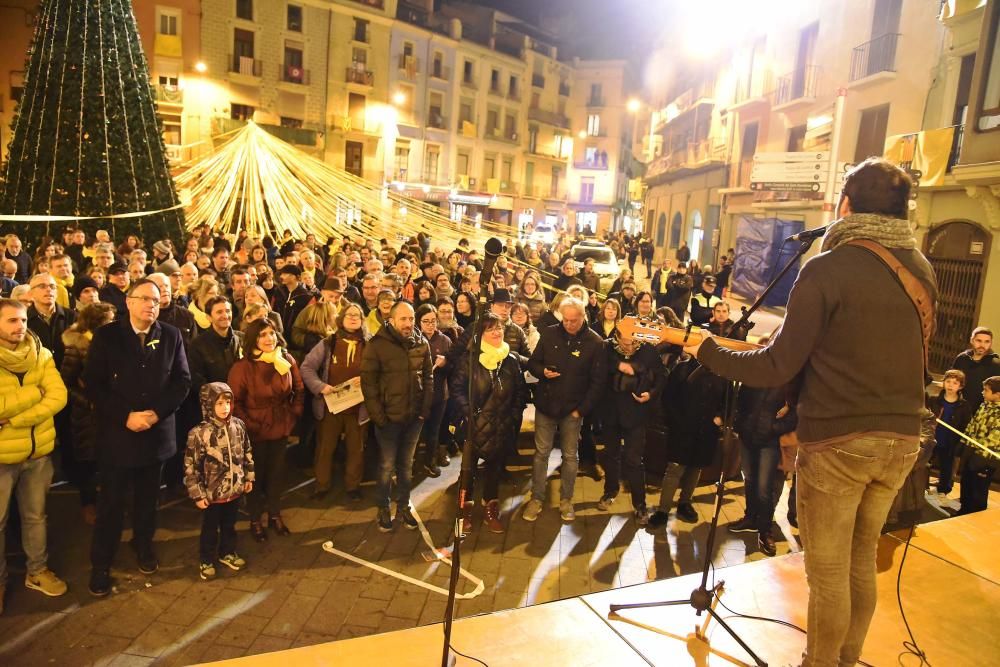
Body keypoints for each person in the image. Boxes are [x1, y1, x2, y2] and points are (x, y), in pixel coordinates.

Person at [685, 158, 937, 667]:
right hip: (902, 440)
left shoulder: (826, 267)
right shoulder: (922, 267)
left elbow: (777, 363)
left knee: (826, 574)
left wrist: (706, 349)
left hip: (840, 443)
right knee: (858, 563)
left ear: (844, 205)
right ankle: (846, 660)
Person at [85, 279, 192, 596]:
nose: (151, 305)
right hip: (119, 435)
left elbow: (182, 381)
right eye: (145, 299)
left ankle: (143, 545)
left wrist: (157, 413)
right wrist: (124, 416)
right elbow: (94, 384)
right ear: (128, 302)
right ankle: (101, 562)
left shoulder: (170, 335)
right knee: (112, 504)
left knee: (148, 501)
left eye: (157, 301)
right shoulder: (107, 336)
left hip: (155, 434)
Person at [0, 298, 70, 611]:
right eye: (12, 321)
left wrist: (13, 418)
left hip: (38, 452)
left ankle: (37, 571)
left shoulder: (41, 354)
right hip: (2, 457)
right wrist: (32, 394)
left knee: (35, 517)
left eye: (23, 320)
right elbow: (42, 396)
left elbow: (57, 397)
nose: (20, 327)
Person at [522, 297, 606, 522]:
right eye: (565, 320)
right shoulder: (549, 334)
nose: (569, 325)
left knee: (570, 456)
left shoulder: (595, 343)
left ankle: (566, 500)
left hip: (573, 410)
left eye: (574, 321)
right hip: (546, 405)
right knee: (541, 454)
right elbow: (532, 363)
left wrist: (582, 410)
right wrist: (542, 372)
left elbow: (598, 382)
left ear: (583, 317)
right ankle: (537, 498)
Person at [228, 318, 304, 542]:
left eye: (271, 333)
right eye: (262, 335)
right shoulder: (243, 367)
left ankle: (274, 514)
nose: (268, 338)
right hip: (255, 429)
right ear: (254, 339)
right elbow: (235, 401)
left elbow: (298, 388)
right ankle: (255, 518)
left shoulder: (285, 359)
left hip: (281, 424)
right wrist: (251, 424)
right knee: (256, 476)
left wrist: (294, 412)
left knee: (276, 473)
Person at [360, 301, 433, 533]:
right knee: (386, 466)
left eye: (411, 319)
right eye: (403, 319)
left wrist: (424, 410)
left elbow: (429, 378)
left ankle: (403, 506)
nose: (408, 323)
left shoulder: (422, 343)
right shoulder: (377, 345)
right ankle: (383, 506)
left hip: (414, 418)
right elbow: (368, 384)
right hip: (388, 419)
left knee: (406, 466)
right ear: (390, 320)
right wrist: (379, 417)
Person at [450, 313, 525, 534]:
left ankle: (491, 507)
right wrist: (470, 414)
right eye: (490, 329)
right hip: (475, 425)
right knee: (468, 470)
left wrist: (511, 416)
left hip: (501, 425)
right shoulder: (469, 360)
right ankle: (465, 510)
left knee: (494, 470)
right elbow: (457, 389)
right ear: (480, 334)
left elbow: (520, 392)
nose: (496, 332)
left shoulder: (510, 360)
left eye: (499, 328)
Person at [184, 383, 255, 580]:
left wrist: (248, 476)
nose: (225, 407)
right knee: (209, 529)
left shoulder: (238, 426)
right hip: (211, 494)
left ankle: (227, 552)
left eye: (228, 402)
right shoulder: (199, 433)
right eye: (219, 403)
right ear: (208, 405)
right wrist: (197, 493)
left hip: (234, 490)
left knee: (229, 525)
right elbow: (191, 466)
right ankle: (206, 559)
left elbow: (246, 452)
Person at [300, 304, 368, 501]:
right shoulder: (328, 343)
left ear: (363, 320)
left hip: (359, 408)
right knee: (324, 448)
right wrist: (320, 387)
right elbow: (307, 367)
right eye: (349, 315)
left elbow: (381, 372)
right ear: (341, 318)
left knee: (356, 449)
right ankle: (321, 486)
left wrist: (367, 380)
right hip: (331, 407)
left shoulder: (370, 344)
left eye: (358, 315)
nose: (354, 318)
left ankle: (353, 487)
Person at [596, 328, 664, 523]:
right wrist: (619, 364)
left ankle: (640, 504)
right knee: (611, 455)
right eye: (626, 343)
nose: (630, 346)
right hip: (610, 413)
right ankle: (610, 491)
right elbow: (598, 368)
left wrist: (650, 394)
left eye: (634, 342)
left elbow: (661, 376)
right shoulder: (607, 348)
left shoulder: (648, 350)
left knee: (634, 460)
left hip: (636, 414)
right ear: (617, 337)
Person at [60, 302, 116, 525]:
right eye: (109, 320)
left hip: (110, 411)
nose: (113, 323)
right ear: (96, 323)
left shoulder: (112, 343)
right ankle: (89, 505)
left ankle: (110, 505)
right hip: (87, 415)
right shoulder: (77, 346)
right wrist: (89, 403)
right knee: (88, 463)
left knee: (109, 461)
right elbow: (66, 384)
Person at [730, 382, 797, 557]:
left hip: (769, 441)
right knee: (750, 480)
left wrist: (773, 429)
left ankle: (765, 530)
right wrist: (739, 426)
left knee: (764, 488)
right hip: (747, 436)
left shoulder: (789, 378)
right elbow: (741, 402)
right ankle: (750, 518)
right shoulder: (755, 373)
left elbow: (796, 413)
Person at [414, 304, 451, 478]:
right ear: (418, 322)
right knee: (416, 431)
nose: (430, 325)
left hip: (438, 393)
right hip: (418, 394)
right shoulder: (413, 339)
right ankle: (412, 464)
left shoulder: (444, 340)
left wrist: (446, 363)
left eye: (433, 321)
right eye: (426, 321)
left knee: (434, 430)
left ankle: (430, 461)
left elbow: (455, 365)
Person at [926, 369, 973, 497]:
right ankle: (923, 486)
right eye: (948, 381)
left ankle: (943, 491)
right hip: (931, 439)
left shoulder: (964, 406)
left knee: (947, 467)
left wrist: (958, 443)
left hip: (949, 442)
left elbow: (965, 426)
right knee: (925, 464)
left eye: (955, 383)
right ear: (943, 383)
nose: (951, 385)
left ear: (961, 386)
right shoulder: (934, 400)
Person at [958, 376, 1000, 515]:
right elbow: (972, 425)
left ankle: (976, 513)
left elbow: (994, 438)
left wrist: (979, 456)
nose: (983, 392)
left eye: (986, 390)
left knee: (978, 488)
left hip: (986, 457)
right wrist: (964, 443)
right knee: (966, 482)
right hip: (971, 451)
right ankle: (964, 509)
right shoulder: (984, 405)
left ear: (997, 394)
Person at [188, 296, 243, 394]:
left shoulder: (241, 339)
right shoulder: (198, 345)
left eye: (227, 311)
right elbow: (197, 380)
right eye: (219, 312)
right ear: (209, 317)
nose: (225, 315)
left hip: (241, 399)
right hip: (215, 401)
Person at [952, 327, 1000, 413]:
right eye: (979, 341)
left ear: (991, 343)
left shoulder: (996, 364)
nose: (982, 345)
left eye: (987, 342)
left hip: (982, 412)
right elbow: (952, 380)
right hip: (958, 408)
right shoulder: (962, 358)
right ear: (972, 340)